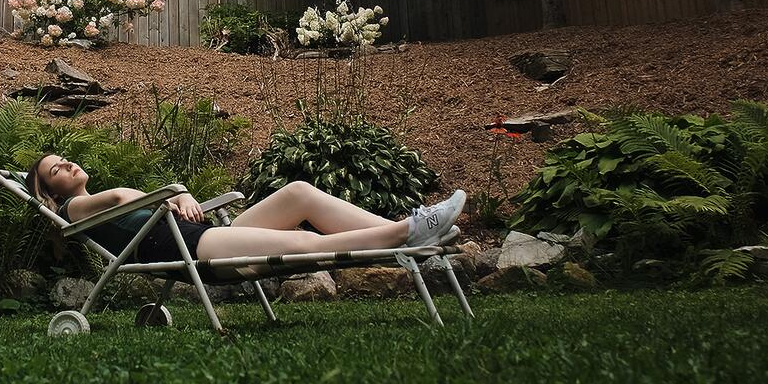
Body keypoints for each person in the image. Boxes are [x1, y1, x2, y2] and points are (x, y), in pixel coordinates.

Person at [27, 153, 467, 264]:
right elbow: (125, 198)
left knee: (298, 192)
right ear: (53, 192)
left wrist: (177, 196)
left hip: (198, 233)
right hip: (191, 247)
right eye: (55, 169)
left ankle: (406, 224)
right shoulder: (75, 209)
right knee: (302, 241)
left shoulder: (89, 203)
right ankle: (405, 235)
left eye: (62, 158)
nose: (66, 163)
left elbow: (142, 201)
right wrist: (176, 190)